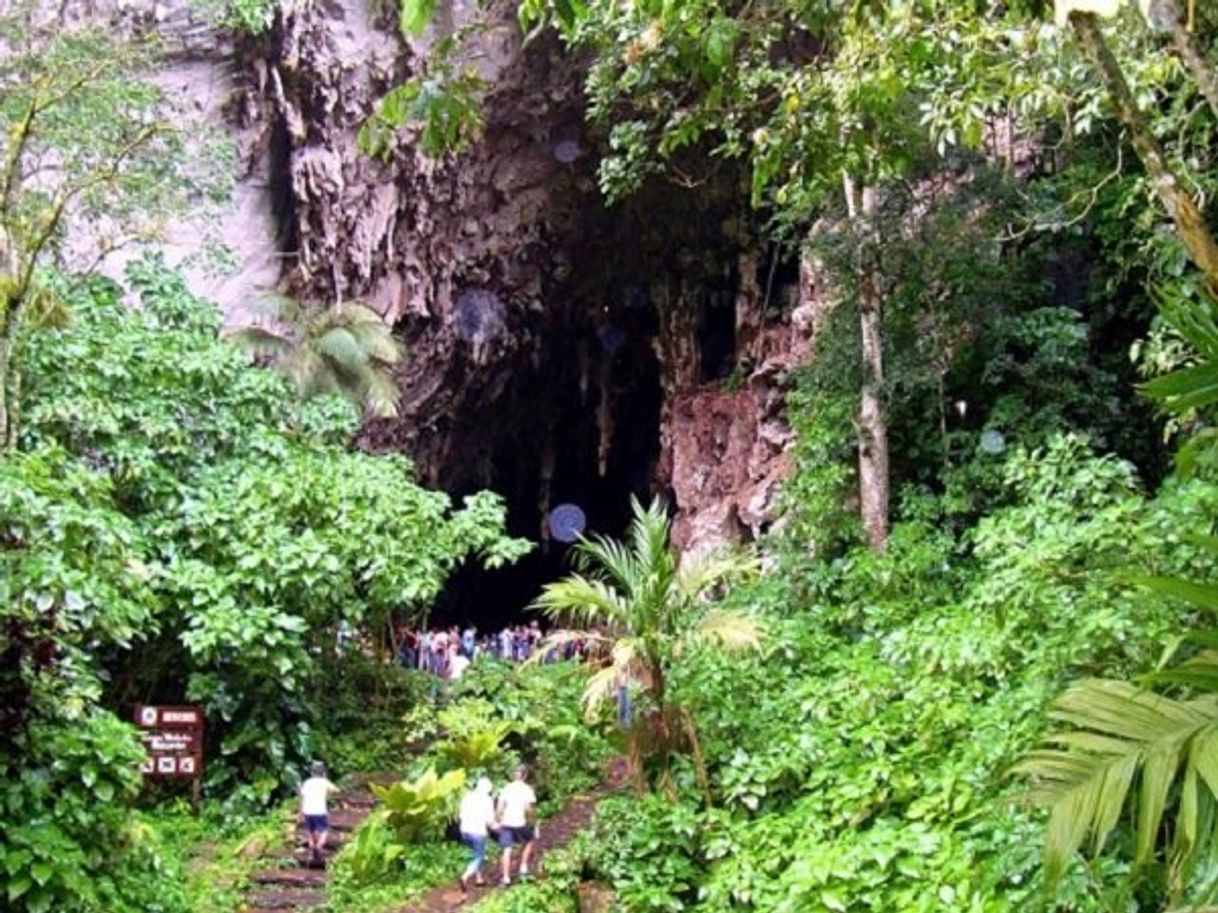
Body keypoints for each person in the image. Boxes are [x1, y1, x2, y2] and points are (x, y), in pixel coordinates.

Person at [496, 764, 539, 885]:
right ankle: (523, 867)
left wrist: (498, 820)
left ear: (514, 775)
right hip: (520, 822)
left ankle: (505, 878)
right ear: (525, 775)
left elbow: (499, 808)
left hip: (506, 822)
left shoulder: (506, 788)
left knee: (506, 849)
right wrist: (533, 821)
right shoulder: (527, 789)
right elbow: (528, 809)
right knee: (529, 840)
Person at [458, 777, 497, 890]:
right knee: (479, 856)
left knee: (477, 853)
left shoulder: (467, 797)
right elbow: (489, 821)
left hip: (464, 831)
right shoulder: (487, 800)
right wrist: (497, 828)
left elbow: (460, 815)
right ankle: (465, 876)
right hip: (478, 832)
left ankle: (479, 878)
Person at [299, 761, 339, 865]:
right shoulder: (324, 782)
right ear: (323, 772)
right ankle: (318, 847)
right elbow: (336, 790)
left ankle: (312, 851)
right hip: (320, 811)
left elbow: (302, 797)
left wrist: (301, 812)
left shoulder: (307, 782)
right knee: (324, 831)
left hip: (307, 810)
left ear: (312, 772)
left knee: (311, 832)